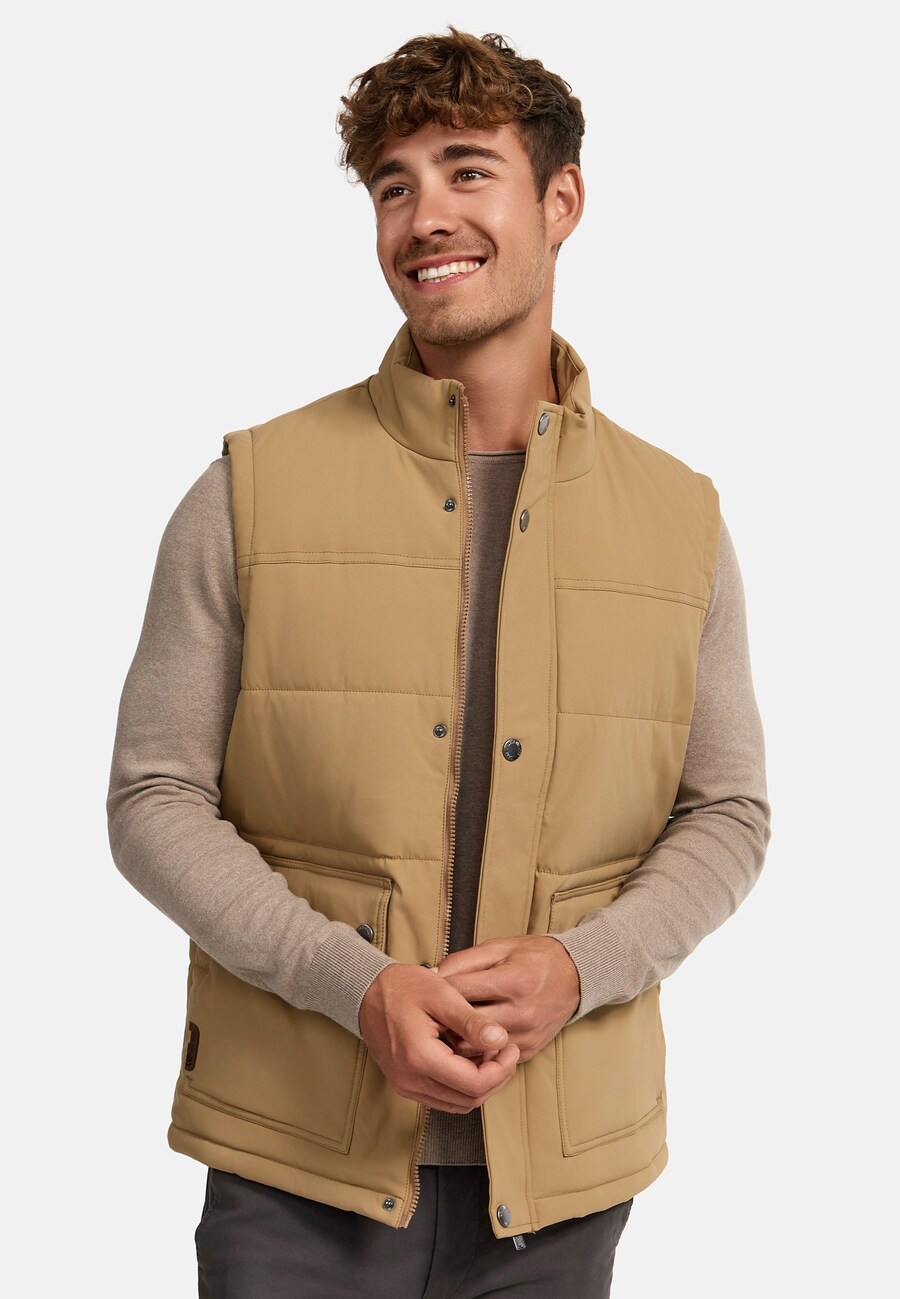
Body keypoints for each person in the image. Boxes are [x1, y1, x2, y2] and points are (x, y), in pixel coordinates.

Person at [107, 27, 771, 1299]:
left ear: (561, 201)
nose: (425, 218)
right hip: (295, 1158)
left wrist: (581, 969)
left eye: (468, 170)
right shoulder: (249, 492)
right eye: (394, 185)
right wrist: (353, 987)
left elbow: (728, 811)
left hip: (562, 1175)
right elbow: (153, 799)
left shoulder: (679, 518)